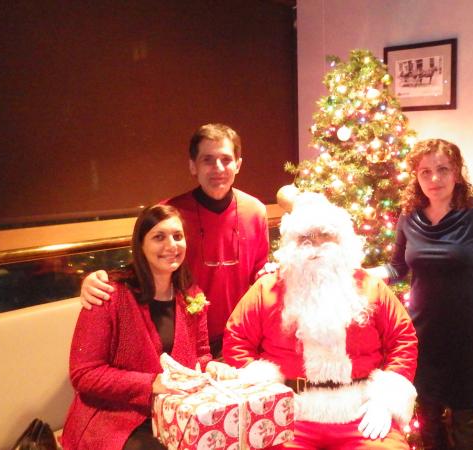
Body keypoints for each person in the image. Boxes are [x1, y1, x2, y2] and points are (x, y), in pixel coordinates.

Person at [223, 193, 419, 450]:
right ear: (290, 245)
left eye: (324, 235)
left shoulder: (370, 287)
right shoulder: (267, 289)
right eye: (304, 238)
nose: (314, 246)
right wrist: (265, 394)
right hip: (289, 413)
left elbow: (402, 340)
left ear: (341, 240)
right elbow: (237, 338)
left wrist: (385, 400)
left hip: (360, 411)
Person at [368, 139, 473, 450]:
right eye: (425, 171)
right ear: (416, 176)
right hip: (423, 334)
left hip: (468, 336)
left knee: (465, 425)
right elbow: (396, 269)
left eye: (443, 170)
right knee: (429, 423)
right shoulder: (409, 217)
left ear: (457, 173)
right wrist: (361, 274)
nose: (434, 179)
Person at [80, 123, 269, 355]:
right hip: (184, 339)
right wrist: (98, 280)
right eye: (207, 160)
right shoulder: (169, 212)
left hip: (240, 339)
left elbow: (261, 280)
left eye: (226, 159)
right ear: (193, 166)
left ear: (238, 165)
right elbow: (143, 266)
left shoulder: (255, 211)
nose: (218, 168)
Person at [62, 204, 229, 449]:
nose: (171, 246)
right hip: (115, 416)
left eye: (177, 236)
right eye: (158, 237)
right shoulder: (108, 294)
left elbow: (198, 356)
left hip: (172, 411)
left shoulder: (191, 295)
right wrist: (151, 383)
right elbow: (83, 375)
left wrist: (211, 365)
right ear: (140, 245)